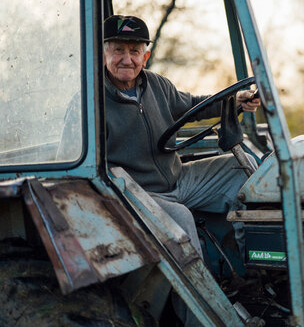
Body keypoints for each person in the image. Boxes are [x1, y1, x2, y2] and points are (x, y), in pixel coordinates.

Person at [102, 14, 260, 257]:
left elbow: (193, 106)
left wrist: (234, 100)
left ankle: (255, 265)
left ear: (145, 57)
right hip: (137, 192)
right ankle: (205, 294)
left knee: (243, 167)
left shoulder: (157, 85)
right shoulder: (90, 101)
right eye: (118, 50)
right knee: (181, 219)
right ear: (103, 54)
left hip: (179, 178)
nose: (127, 59)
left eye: (134, 51)